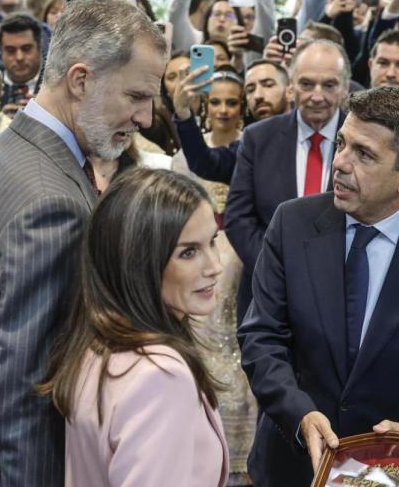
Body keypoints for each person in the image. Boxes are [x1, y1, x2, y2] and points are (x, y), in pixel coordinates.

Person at [0, 0, 165, 487]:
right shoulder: (50, 202)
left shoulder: (1, 151)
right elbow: (28, 397)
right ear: (80, 80)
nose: (145, 117)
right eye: (137, 96)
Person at [239, 86, 399, 486]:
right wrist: (299, 413)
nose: (340, 162)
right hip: (291, 466)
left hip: (398, 474)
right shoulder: (292, 224)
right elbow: (261, 338)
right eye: (342, 143)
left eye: (364, 154)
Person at [42, 169, 228, 486]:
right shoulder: (159, 376)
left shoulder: (95, 346)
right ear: (140, 263)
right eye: (188, 252)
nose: (215, 266)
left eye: (212, 241)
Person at [224, 40, 349, 324]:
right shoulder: (258, 138)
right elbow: (238, 218)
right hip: (269, 299)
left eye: (329, 85)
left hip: (343, 298)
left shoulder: (365, 140)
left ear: (345, 88)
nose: (317, 96)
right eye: (306, 84)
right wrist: (280, 269)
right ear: (291, 87)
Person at [171, 67, 255, 484]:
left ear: (243, 108)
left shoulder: (249, 148)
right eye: (216, 101)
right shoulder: (189, 154)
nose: (222, 109)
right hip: (192, 259)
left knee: (234, 345)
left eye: (232, 101)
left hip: (237, 257)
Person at [0, 12, 45, 117]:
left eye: (26, 49)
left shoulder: (57, 85)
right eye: (10, 50)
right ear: (1, 52)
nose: (19, 57)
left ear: (39, 48)